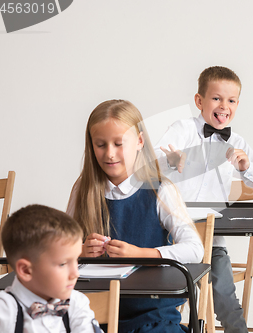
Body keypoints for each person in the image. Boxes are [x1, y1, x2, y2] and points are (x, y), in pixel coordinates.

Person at [157, 66, 253, 333]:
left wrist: (246, 168)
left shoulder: (237, 142)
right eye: (216, 98)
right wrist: (170, 161)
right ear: (199, 101)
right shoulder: (182, 129)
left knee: (224, 294)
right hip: (168, 236)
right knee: (162, 295)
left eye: (231, 100)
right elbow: (152, 163)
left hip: (211, 239)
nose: (224, 106)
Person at [67, 99, 203, 333]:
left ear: (139, 141)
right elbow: (55, 250)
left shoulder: (160, 190)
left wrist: (142, 255)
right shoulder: (83, 190)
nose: (110, 154)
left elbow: (194, 249)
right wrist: (79, 249)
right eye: (100, 144)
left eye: (119, 143)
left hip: (152, 315)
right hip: (92, 316)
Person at [0, 204, 99, 332]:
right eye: (63, 264)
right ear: (26, 270)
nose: (75, 273)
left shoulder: (77, 303)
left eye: (76, 260)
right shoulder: (0, 311)